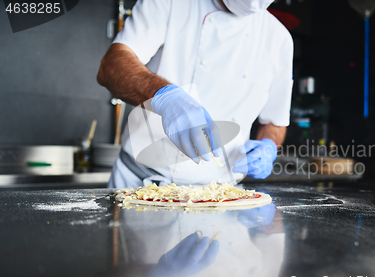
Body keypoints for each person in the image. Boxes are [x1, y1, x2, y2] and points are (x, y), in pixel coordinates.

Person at [97, 0, 293, 188]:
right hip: (142, 183)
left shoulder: (280, 40)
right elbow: (111, 66)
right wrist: (165, 97)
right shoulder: (172, 3)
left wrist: (268, 145)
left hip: (221, 196)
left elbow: (274, 122)